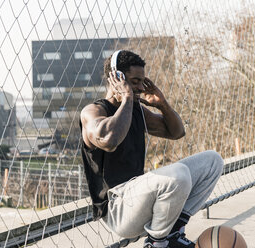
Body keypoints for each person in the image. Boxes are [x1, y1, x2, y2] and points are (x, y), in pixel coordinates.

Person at [79, 50, 223, 248]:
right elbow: (109, 139)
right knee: (178, 173)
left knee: (212, 161)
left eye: (142, 81)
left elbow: (176, 132)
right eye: (134, 81)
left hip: (139, 199)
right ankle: (156, 243)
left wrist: (162, 103)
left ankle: (172, 233)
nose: (139, 88)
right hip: (118, 209)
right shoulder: (93, 112)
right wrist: (127, 96)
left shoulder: (136, 110)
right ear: (116, 78)